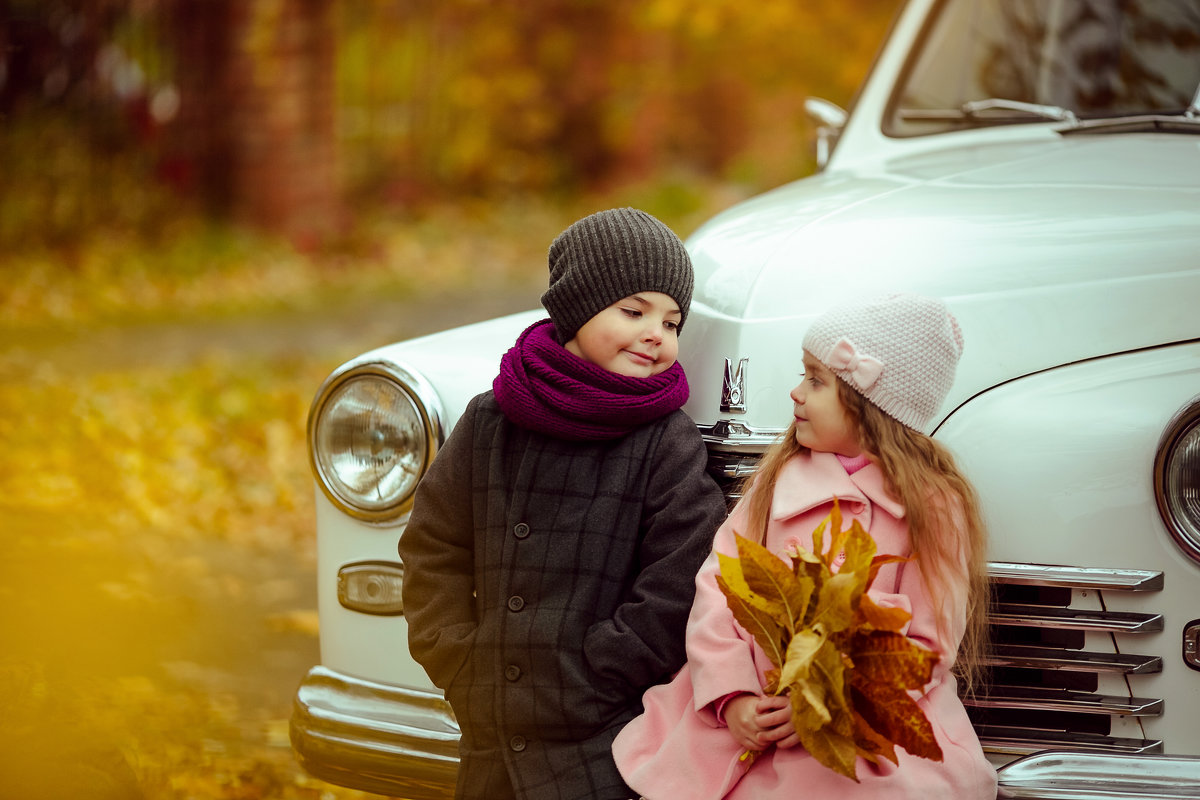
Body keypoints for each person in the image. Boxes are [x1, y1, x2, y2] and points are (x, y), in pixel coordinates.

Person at [397, 208, 728, 800]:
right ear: (576, 308)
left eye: (673, 321)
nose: (657, 332)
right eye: (634, 310)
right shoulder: (492, 419)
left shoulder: (663, 438)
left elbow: (682, 569)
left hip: (602, 736)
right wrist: (456, 658)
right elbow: (434, 545)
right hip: (491, 727)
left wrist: (605, 671)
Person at [612, 293, 997, 799]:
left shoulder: (930, 508)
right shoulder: (779, 481)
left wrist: (822, 707)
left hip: (858, 720)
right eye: (803, 375)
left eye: (816, 381)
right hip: (747, 710)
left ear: (872, 406)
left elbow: (927, 645)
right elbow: (719, 589)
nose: (795, 393)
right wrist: (733, 697)